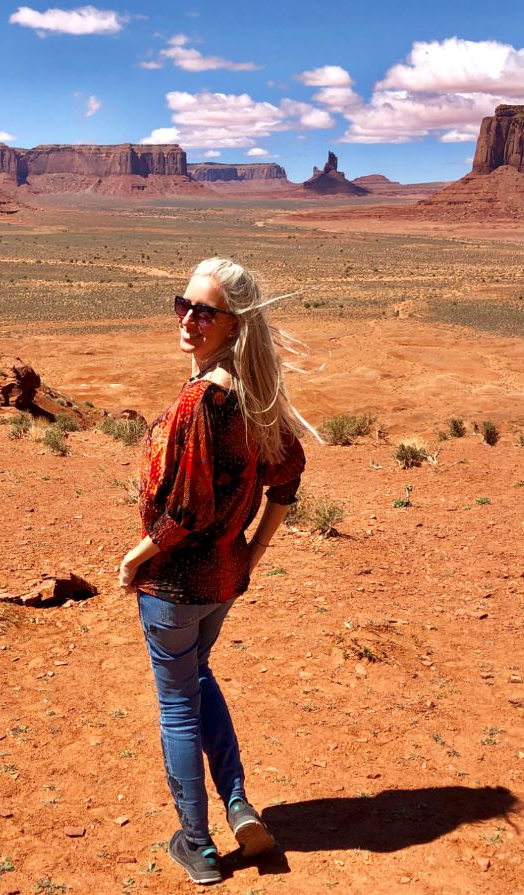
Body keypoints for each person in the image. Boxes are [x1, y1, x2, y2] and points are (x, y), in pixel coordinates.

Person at [119, 258, 314, 885]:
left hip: (177, 584)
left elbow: (189, 507)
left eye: (206, 312)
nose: (189, 319)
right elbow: (286, 475)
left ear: (234, 326)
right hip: (224, 581)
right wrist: (252, 551)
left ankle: (197, 844)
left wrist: (140, 553)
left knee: (177, 705)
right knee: (199, 677)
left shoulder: (207, 398)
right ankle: (237, 805)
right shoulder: (255, 393)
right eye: (184, 304)